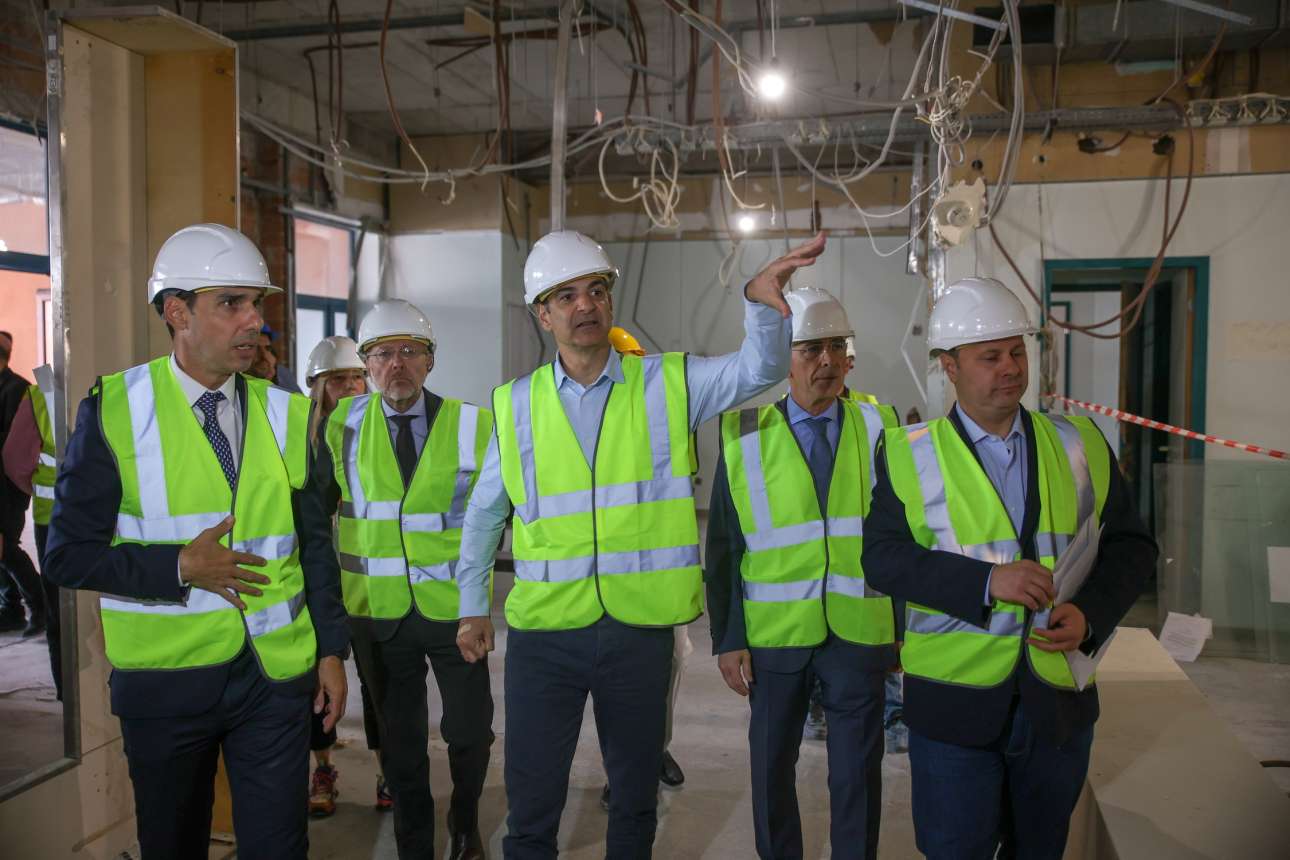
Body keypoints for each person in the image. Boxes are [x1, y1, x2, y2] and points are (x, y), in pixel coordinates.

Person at [455, 228, 826, 859]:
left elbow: (760, 369)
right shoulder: (516, 405)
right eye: (566, 295)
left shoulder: (669, 384)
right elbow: (485, 513)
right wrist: (472, 605)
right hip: (545, 635)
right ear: (543, 314)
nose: (585, 304)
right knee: (532, 808)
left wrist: (759, 304)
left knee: (633, 802)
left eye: (596, 289)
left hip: (640, 633)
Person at [44, 223, 349, 860]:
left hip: (274, 678)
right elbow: (67, 554)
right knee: (173, 845)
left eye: (256, 303)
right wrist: (179, 565)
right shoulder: (115, 409)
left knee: (281, 847)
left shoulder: (287, 413)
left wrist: (330, 651)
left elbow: (315, 545)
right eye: (231, 303)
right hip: (167, 684)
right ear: (176, 312)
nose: (253, 322)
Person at [863, 277, 1157, 860]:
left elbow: (1132, 546)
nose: (1010, 368)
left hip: (1056, 707)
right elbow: (883, 560)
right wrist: (986, 582)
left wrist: (1090, 614)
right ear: (950, 367)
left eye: (1017, 352)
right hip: (954, 708)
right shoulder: (907, 451)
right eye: (990, 356)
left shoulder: (1078, 440)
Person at [707, 287, 896, 860]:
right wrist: (730, 638)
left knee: (857, 774)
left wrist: (901, 627)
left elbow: (905, 535)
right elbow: (725, 548)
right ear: (783, 360)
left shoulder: (880, 425)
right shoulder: (744, 435)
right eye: (811, 349)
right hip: (774, 636)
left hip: (857, 632)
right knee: (770, 769)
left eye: (837, 346)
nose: (827, 361)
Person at [315, 300, 494, 860]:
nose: (397, 364)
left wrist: (481, 603)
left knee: (471, 732)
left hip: (456, 611)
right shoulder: (339, 427)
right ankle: (414, 844)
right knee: (400, 744)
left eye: (410, 351)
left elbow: (496, 515)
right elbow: (315, 522)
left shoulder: (474, 424)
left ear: (430, 360)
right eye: (383, 353)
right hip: (377, 612)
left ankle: (464, 823)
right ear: (367, 364)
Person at [300, 335, 391, 817]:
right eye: (339, 379)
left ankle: (386, 769)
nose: (352, 387)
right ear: (317, 387)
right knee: (318, 682)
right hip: (320, 584)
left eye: (358, 378)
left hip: (369, 583)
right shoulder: (302, 441)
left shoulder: (380, 431)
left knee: (380, 686)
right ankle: (323, 767)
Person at [2, 367, 62, 695]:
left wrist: (35, 488)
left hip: (52, 517)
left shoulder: (40, 394)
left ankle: (68, 691)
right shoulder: (124, 382)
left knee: (60, 613)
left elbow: (15, 460)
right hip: (112, 517)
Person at [0, 331, 44, 636]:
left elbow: (14, 441)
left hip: (8, 485)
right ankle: (11, 608)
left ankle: (40, 606)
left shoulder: (17, 389)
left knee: (7, 548)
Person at [251, 324, 303, 393]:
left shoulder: (282, 374)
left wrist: (272, 380)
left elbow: (298, 398)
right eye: (256, 349)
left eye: (267, 348)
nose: (264, 355)